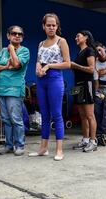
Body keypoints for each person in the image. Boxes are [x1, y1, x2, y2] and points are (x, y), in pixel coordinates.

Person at [29, 13, 70, 161]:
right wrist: (38, 67)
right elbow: (38, 61)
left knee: (57, 114)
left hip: (54, 78)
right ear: (43, 26)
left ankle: (59, 150)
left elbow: (67, 63)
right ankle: (43, 148)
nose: (51, 28)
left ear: (57, 26)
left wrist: (49, 66)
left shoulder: (61, 41)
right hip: (41, 80)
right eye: (48, 25)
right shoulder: (40, 43)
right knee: (44, 115)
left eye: (54, 25)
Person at [0, 25, 30, 156]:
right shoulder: (3, 51)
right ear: (8, 36)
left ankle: (19, 145)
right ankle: (8, 145)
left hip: (14, 90)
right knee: (5, 119)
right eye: (14, 33)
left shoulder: (24, 51)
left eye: (20, 34)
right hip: (1, 89)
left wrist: (11, 49)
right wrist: (5, 67)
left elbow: (16, 64)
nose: (17, 36)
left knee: (16, 119)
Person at [70, 30, 97, 153]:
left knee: (90, 115)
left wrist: (76, 66)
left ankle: (93, 141)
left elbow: (91, 69)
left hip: (87, 84)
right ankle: (85, 140)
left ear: (85, 37)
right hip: (78, 85)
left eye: (78, 36)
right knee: (82, 115)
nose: (76, 38)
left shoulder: (89, 50)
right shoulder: (79, 52)